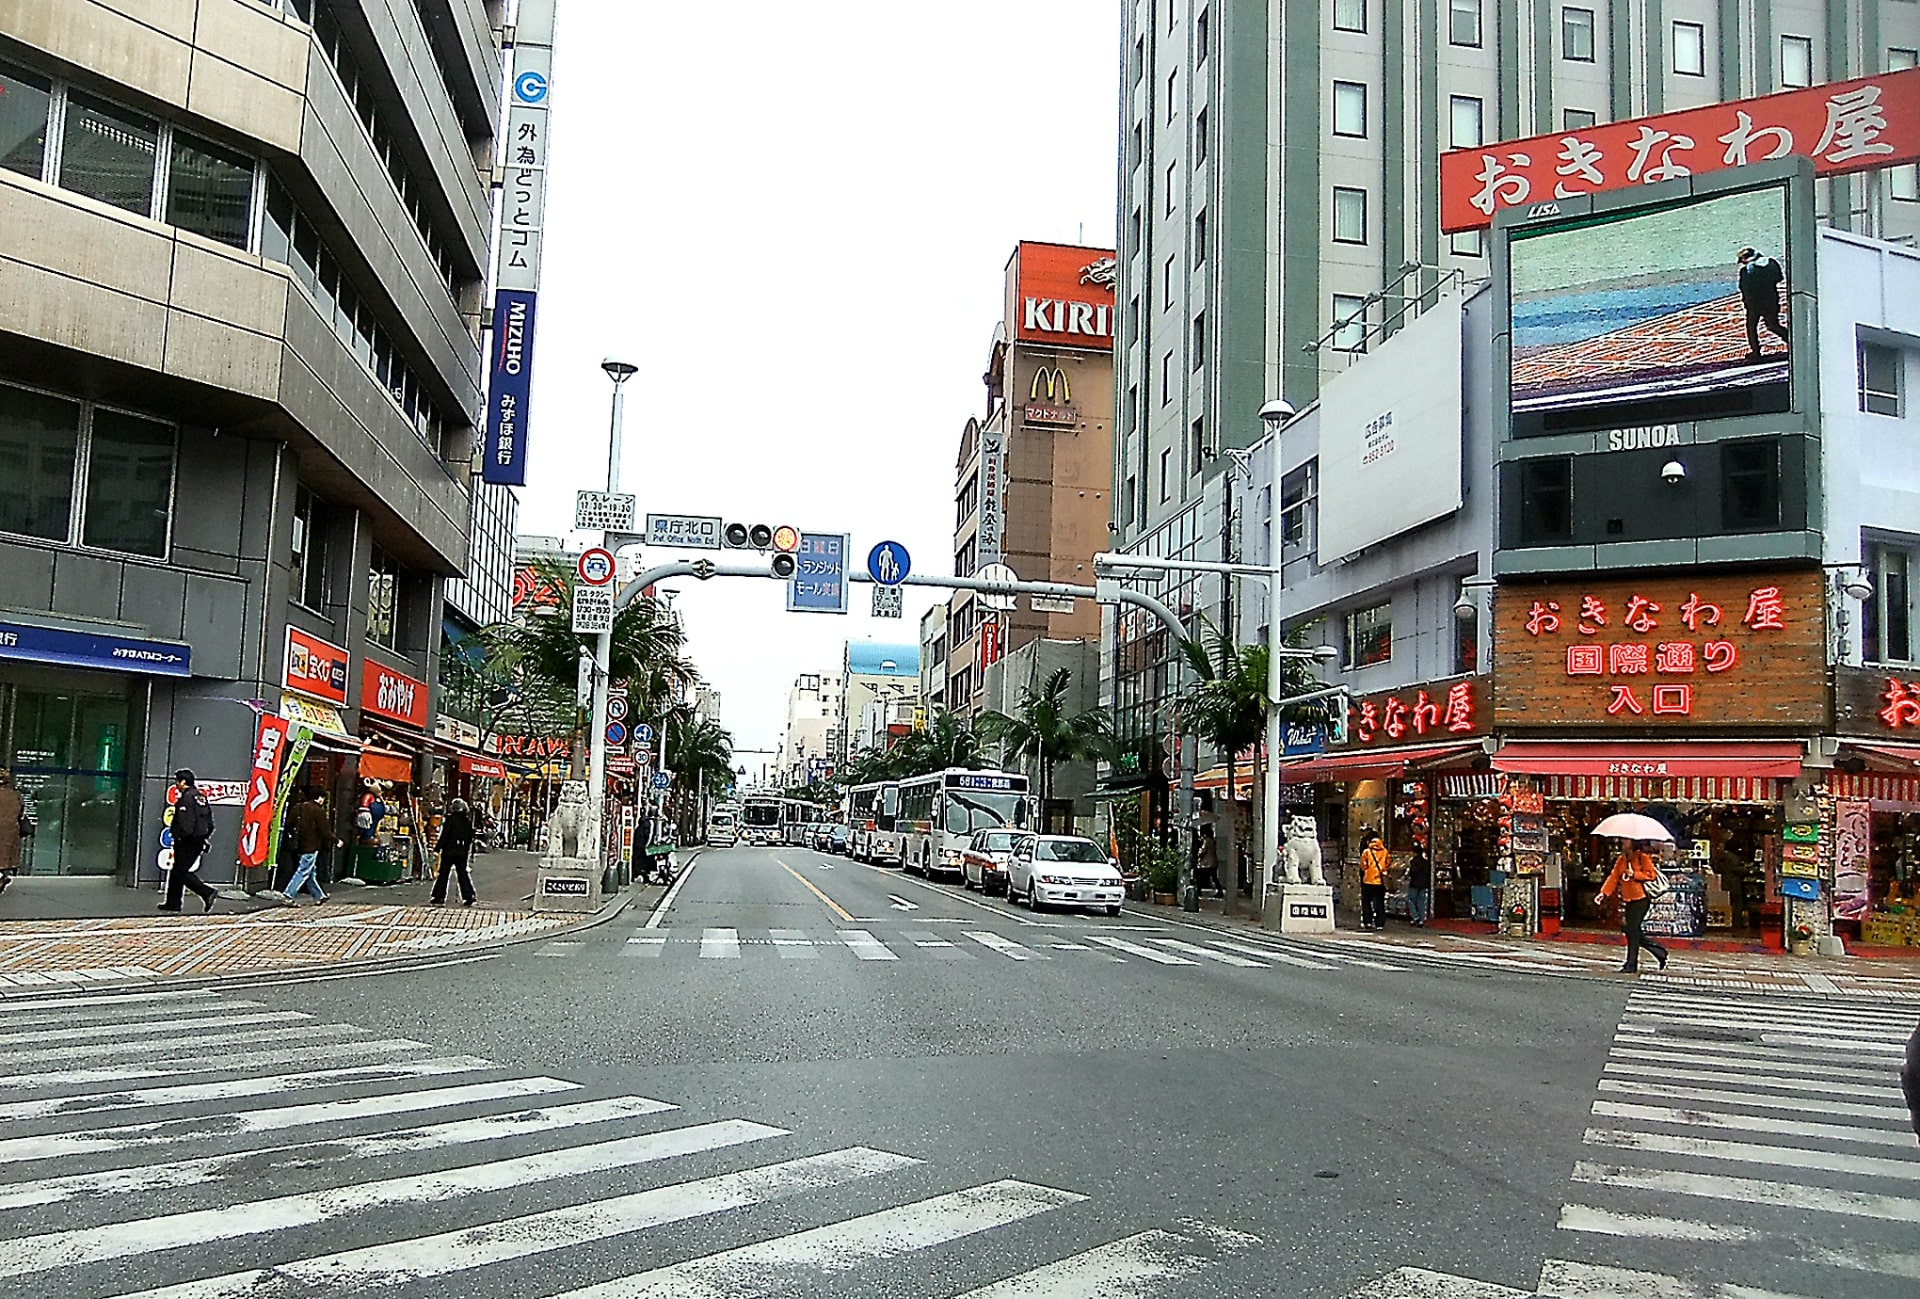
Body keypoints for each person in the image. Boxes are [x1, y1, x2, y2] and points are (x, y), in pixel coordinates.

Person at [1597, 838, 1669, 972]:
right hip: (1628, 899)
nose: (1623, 842)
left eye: (1626, 840)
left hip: (1641, 899)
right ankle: (1659, 952)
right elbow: (1613, 877)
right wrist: (1603, 893)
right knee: (1630, 931)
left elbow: (1651, 875)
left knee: (1632, 930)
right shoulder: (1621, 859)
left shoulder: (1642, 857)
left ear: (1633, 842)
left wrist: (1634, 874)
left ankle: (1631, 964)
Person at [161, 769, 219, 913]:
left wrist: (180, 836)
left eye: (177, 781)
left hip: (187, 841)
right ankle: (173, 903)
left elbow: (185, 823)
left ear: (183, 782)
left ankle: (206, 892)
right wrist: (204, 837)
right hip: (198, 839)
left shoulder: (186, 799)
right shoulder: (201, 797)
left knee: (181, 872)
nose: (176, 785)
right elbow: (210, 822)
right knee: (176, 871)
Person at [285, 788, 337, 904]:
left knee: (310, 871)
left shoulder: (298, 808)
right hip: (312, 845)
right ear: (320, 798)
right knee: (304, 870)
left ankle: (319, 895)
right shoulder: (318, 811)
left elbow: (289, 824)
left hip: (299, 844)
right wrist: (336, 840)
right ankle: (289, 894)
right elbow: (324, 830)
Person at [1736, 246, 1788, 360]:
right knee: (1773, 325)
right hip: (1771, 300)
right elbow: (1779, 278)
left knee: (1751, 327)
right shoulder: (1771, 263)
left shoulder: (1747, 271)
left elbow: (1745, 288)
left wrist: (1747, 301)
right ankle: (1792, 342)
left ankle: (1756, 352)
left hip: (1755, 304)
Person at [432, 797, 477, 906]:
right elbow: (470, 837)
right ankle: (469, 895)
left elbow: (445, 835)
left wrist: (437, 848)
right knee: (462, 873)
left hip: (449, 851)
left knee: (444, 873)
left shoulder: (450, 819)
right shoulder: (467, 821)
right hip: (461, 851)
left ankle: (439, 895)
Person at [0, 769, 27, 893]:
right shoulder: (15, 795)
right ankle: (3, 876)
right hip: (10, 832)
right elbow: (21, 813)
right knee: (5, 857)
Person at [1360, 836, 1391, 931]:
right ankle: (1380, 923)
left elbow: (1363, 865)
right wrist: (1383, 870)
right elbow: (1388, 863)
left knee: (1366, 902)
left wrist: (1368, 870)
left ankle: (1368, 922)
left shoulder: (1366, 852)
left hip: (1368, 880)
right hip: (1380, 881)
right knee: (1379, 902)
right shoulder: (1385, 852)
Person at [1407, 844, 1433, 928]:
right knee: (1421, 901)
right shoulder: (1426, 863)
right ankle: (1421, 919)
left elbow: (1412, 872)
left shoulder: (1414, 861)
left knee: (1411, 900)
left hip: (1414, 883)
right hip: (1423, 884)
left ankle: (1415, 916)